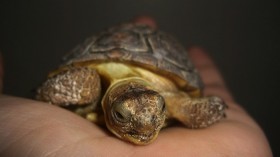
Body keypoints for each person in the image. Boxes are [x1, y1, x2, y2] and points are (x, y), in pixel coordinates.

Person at [0, 17, 272, 157]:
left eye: (158, 111)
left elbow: (188, 106)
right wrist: (44, 95)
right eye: (121, 115)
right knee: (84, 86)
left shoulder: (170, 97)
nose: (145, 126)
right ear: (109, 107)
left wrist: (201, 110)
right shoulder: (90, 82)